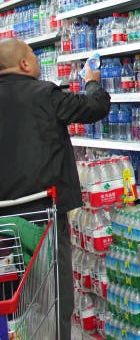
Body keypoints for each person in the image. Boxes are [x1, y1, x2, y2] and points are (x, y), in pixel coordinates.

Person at [0, 38, 110, 338]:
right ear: (24, 64)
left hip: (4, 222)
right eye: (33, 56)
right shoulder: (43, 94)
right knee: (55, 295)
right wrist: (91, 82)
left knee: (11, 295)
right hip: (43, 216)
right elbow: (94, 108)